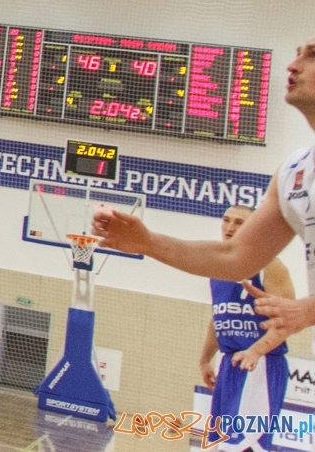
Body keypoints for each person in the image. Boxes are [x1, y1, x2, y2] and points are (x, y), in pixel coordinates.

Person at [95, 39, 315, 372]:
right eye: (296, 52)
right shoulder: (294, 171)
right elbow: (234, 257)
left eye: (311, 56)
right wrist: (149, 243)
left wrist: (308, 310)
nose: (292, 65)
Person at [193, 204, 295, 449]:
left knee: (249, 445)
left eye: (239, 223)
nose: (230, 227)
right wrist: (206, 359)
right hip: (229, 365)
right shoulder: (217, 267)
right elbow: (219, 316)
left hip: (261, 366)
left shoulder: (270, 266)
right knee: (221, 444)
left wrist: (256, 351)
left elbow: (287, 322)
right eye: (226, 220)